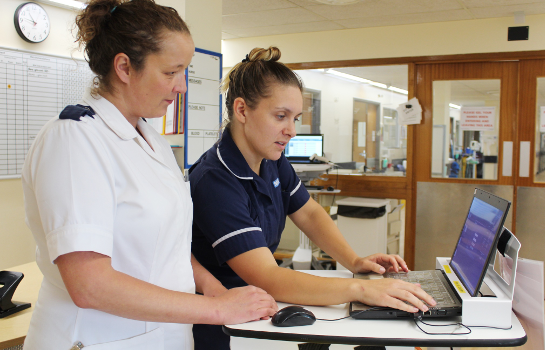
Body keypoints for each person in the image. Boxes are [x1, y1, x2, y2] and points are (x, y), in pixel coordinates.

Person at [21, 1, 277, 349]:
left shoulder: (151, 142)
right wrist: (215, 310)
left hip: (163, 336)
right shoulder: (74, 139)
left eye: (184, 71)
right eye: (171, 72)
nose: (182, 86)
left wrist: (211, 286)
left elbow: (165, 244)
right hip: (97, 339)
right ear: (124, 67)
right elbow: (89, 284)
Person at [189, 47, 437, 350]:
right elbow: (269, 276)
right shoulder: (215, 179)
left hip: (266, 307)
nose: (291, 130)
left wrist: (354, 261)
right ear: (241, 110)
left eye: (295, 118)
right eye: (281, 116)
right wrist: (360, 289)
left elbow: (308, 213)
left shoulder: (271, 158)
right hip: (229, 324)